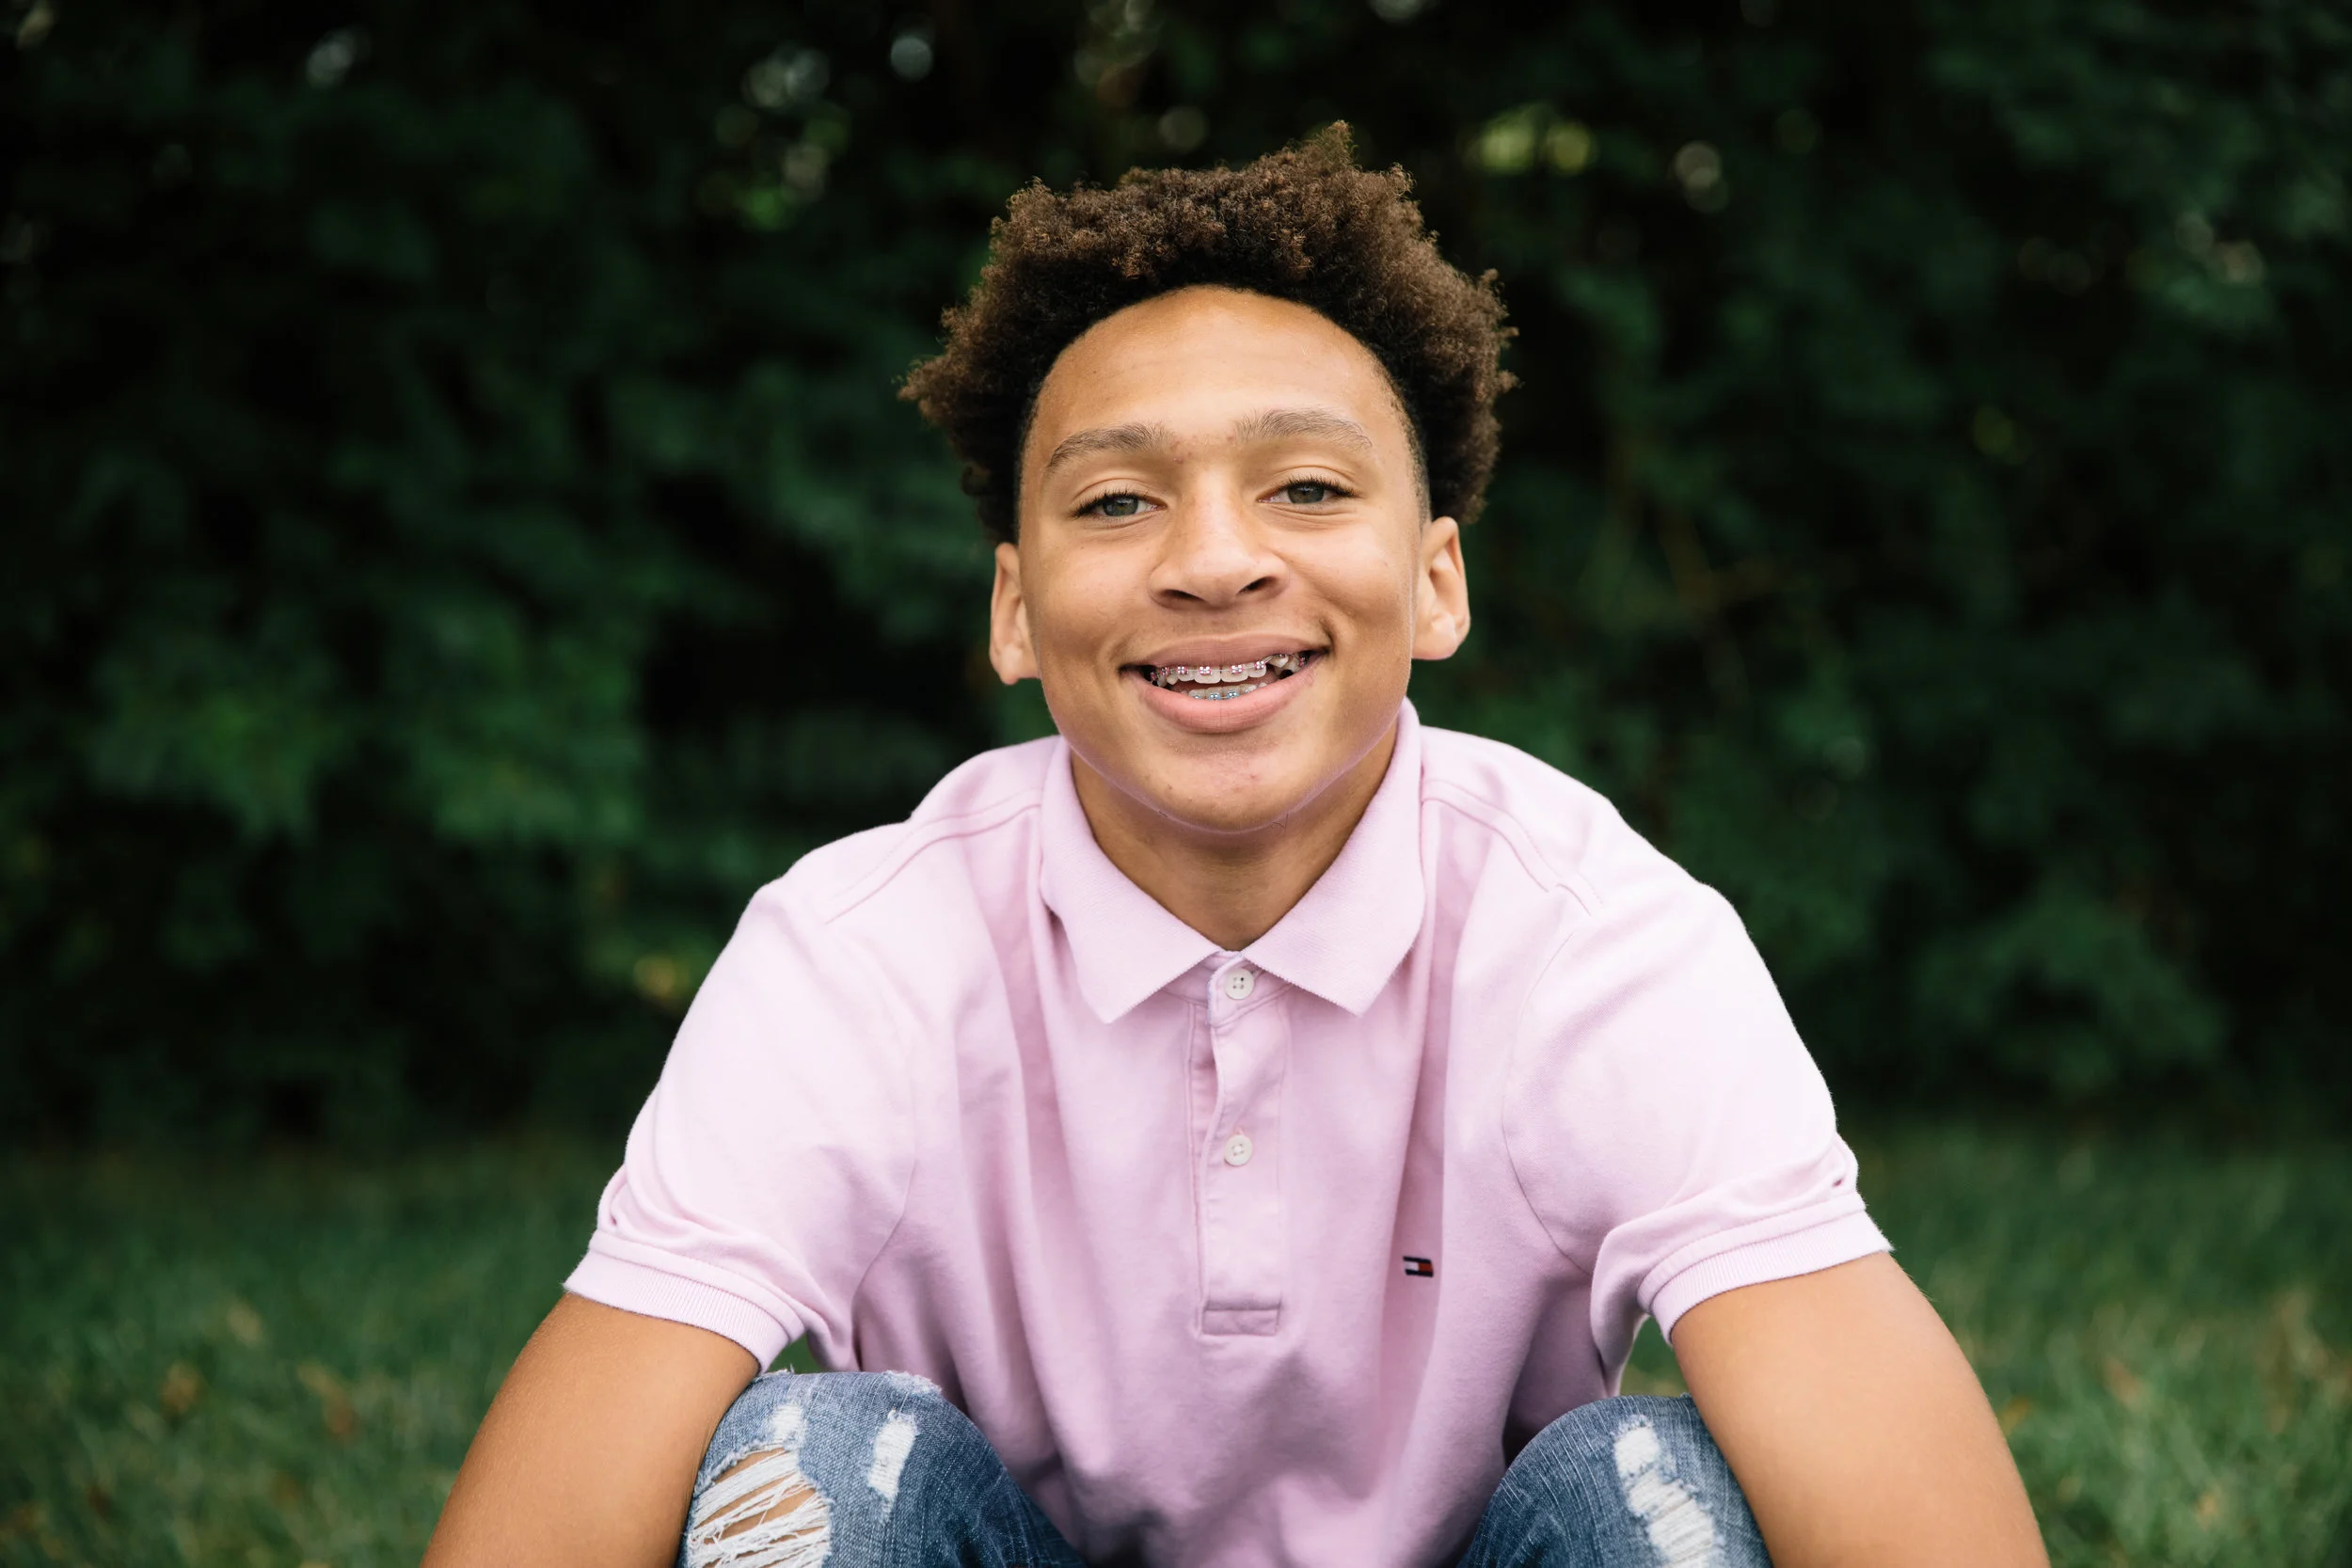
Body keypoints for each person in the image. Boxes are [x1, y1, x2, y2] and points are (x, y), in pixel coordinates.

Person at [423, 129, 2046, 1568]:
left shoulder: (1598, 935)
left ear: (1437, 582)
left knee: (1662, 1491)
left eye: (1309, 486)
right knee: (808, 1467)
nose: (1215, 560)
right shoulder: (857, 953)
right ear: (1014, 609)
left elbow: (1901, 1507)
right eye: (1116, 502)